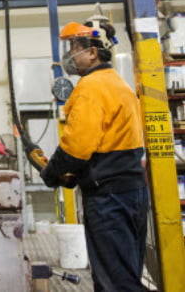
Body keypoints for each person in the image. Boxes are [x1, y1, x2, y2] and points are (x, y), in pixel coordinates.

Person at [40, 19, 149, 291]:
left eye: (74, 47)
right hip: (130, 192)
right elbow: (105, 142)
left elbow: (76, 148)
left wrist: (51, 173)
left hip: (109, 198)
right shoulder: (117, 84)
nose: (69, 55)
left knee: (116, 282)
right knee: (126, 273)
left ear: (92, 51)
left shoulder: (90, 88)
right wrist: (73, 175)